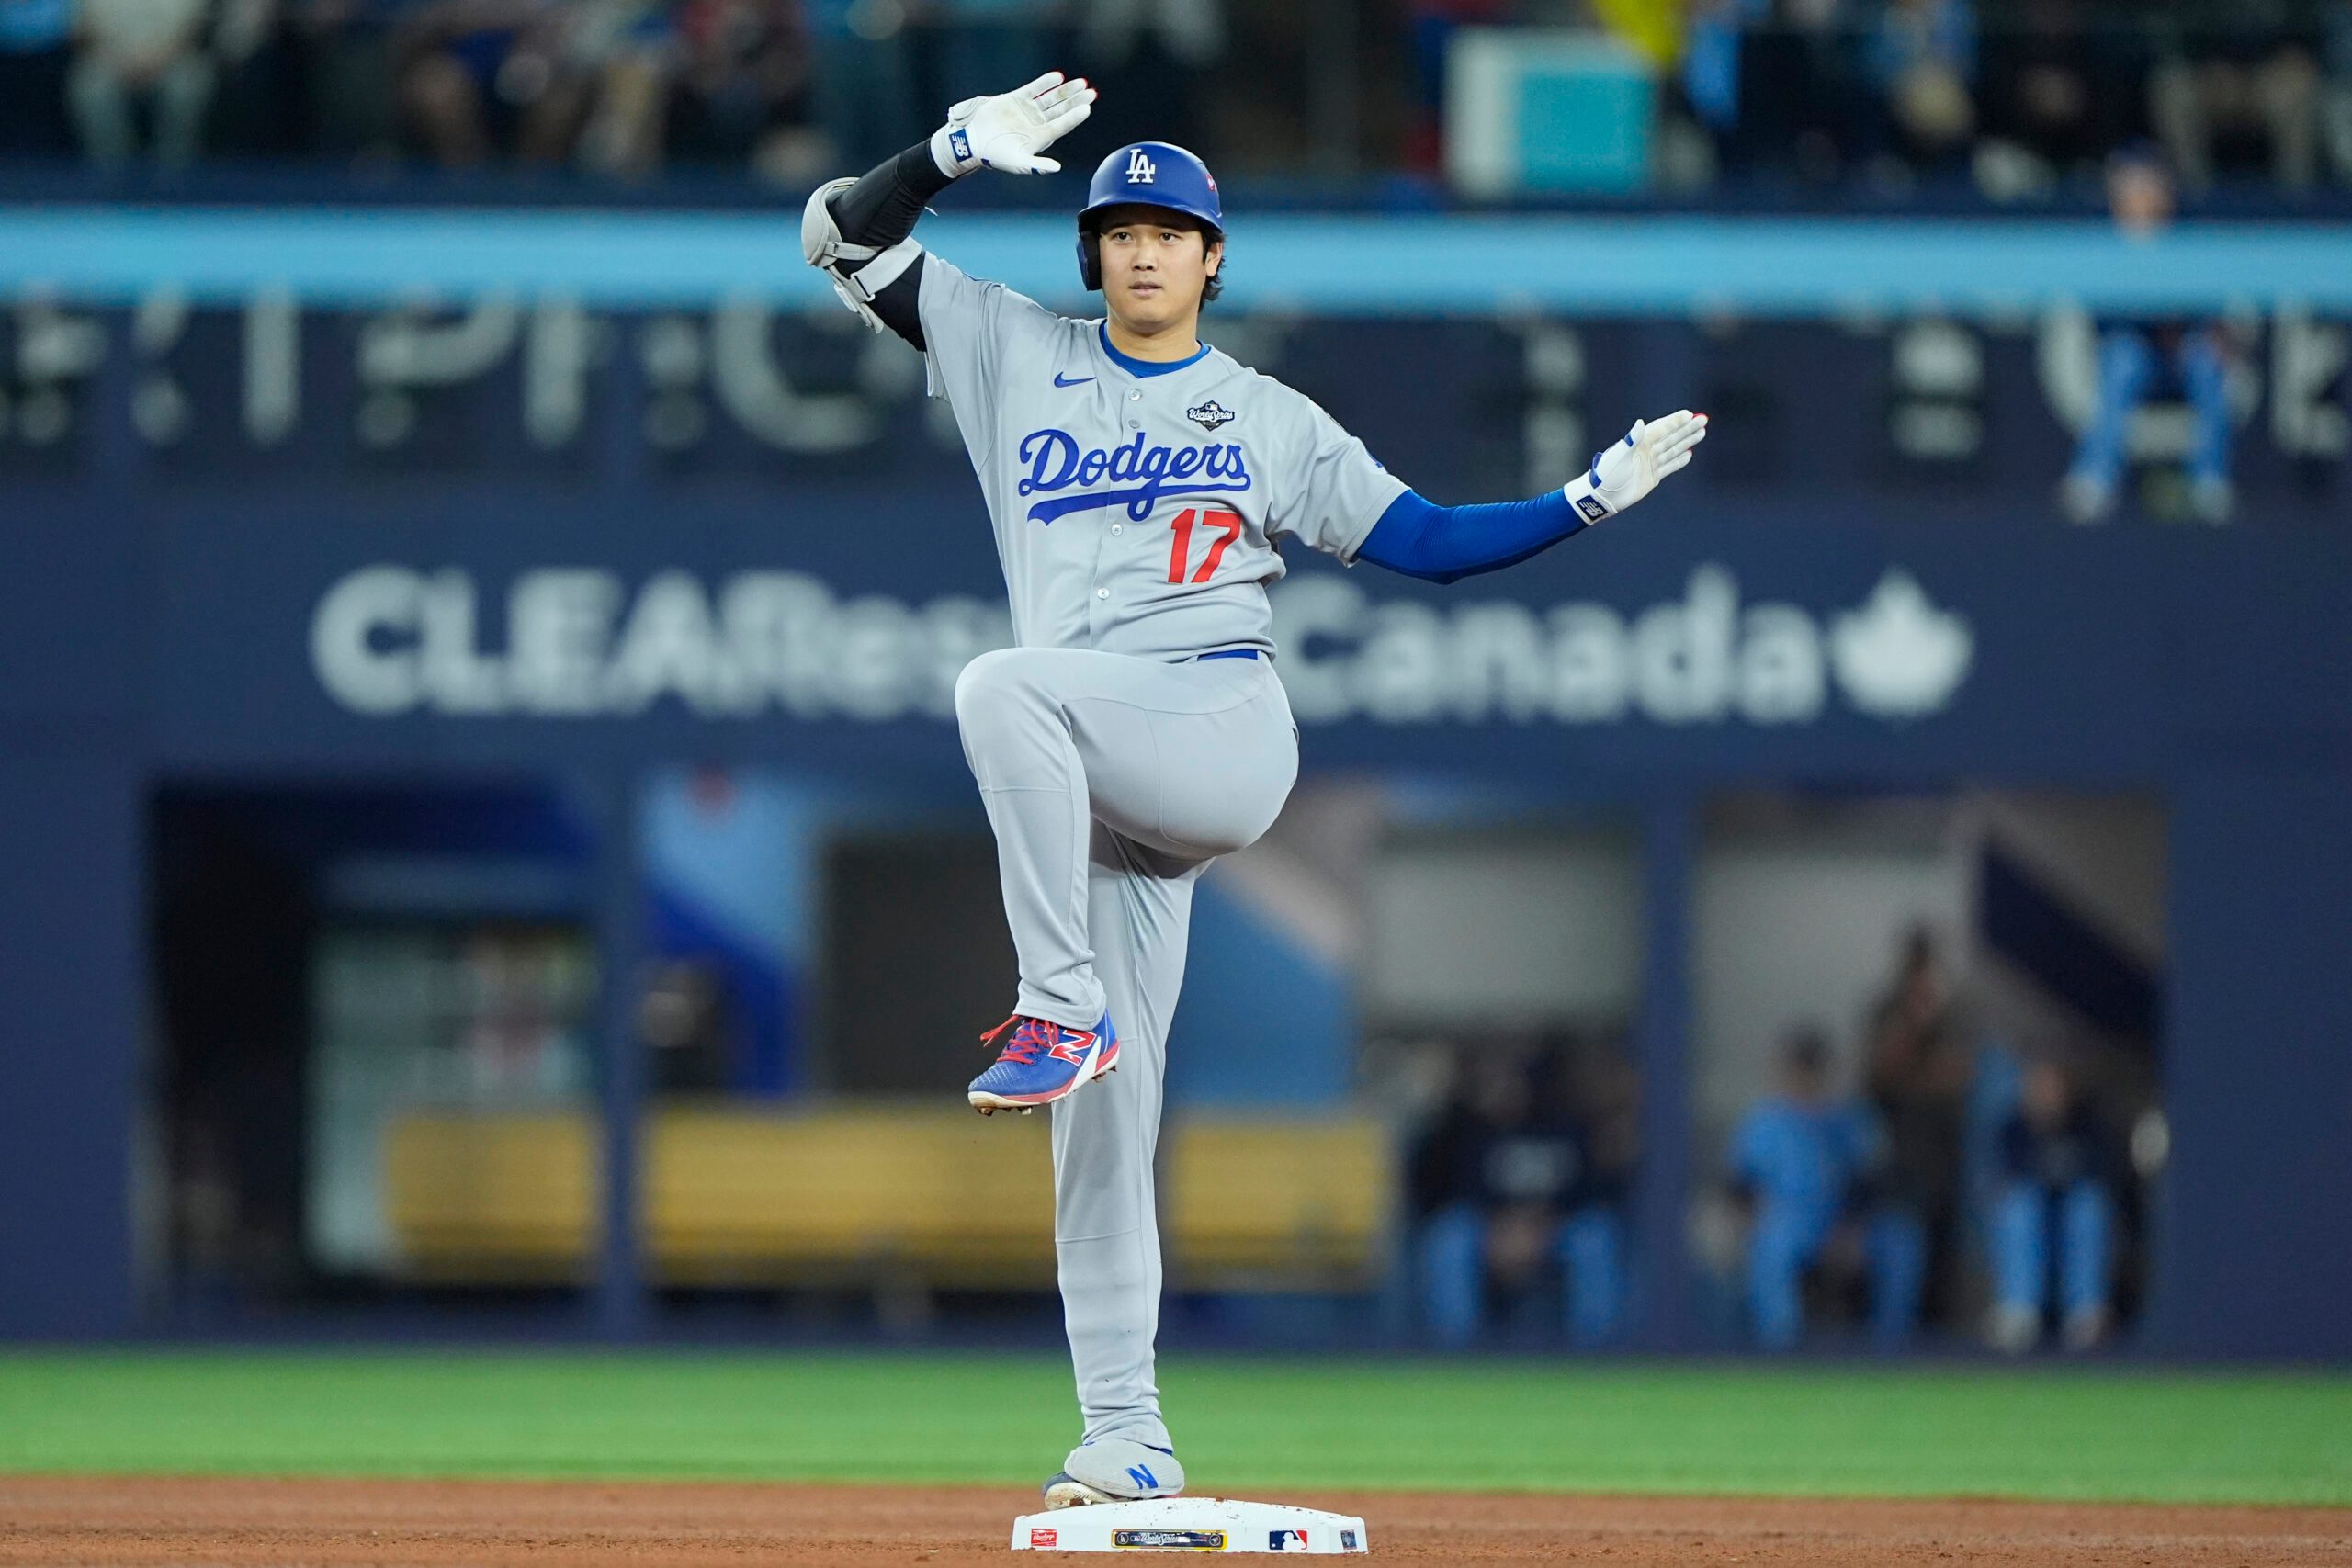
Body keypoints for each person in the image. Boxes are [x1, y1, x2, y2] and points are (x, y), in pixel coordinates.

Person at [802, 73, 1706, 1509]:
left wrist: (1581, 501)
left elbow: (1428, 540)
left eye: (1174, 230)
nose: (1147, 249)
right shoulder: (1006, 348)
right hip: (1097, 774)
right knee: (1103, 1124)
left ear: (1214, 259)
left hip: (1216, 724)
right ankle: (1125, 1432)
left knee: (998, 685)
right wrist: (952, 150)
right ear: (1090, 252)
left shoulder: (1262, 413)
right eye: (1121, 228)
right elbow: (836, 236)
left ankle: (1057, 1004)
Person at [2061, 145, 2236, 525]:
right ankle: (2095, 479)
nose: (2141, 198)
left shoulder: (2189, 244)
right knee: (2122, 359)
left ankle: (2209, 482)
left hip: (2184, 354)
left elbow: (2212, 310)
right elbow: (2100, 320)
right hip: (2138, 355)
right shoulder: (2106, 250)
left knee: (2207, 360)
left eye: (2149, 187)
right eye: (2131, 189)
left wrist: (2189, 325)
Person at [1408, 1048, 1628, 1349]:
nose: (1501, 1091)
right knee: (1451, 1239)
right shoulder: (1468, 1132)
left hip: (1554, 1232)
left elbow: (1585, 1192)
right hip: (1490, 1233)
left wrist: (1537, 1227)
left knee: (1593, 1237)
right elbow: (1455, 1192)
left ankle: (1597, 1355)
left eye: (1509, 1081)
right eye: (1491, 1083)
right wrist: (1501, 1231)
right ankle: (1455, 1356)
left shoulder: (1563, 1126)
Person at [1726, 1028, 1883, 1350]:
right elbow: (1740, 1186)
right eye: (1798, 1069)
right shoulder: (1765, 1122)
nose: (1804, 1078)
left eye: (1812, 1069)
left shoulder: (1848, 1119)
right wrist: (1745, 1221)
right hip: (1785, 1220)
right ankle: (1783, 1348)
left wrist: (1850, 1229)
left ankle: (1889, 1352)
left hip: (1841, 1221)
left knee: (1898, 1244)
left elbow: (1869, 1182)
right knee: (1772, 1245)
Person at [1988, 1056, 2119, 1352]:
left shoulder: (2089, 1127)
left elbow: (2102, 1177)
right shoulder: (2014, 1129)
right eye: (2038, 1087)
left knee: (2088, 1206)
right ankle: (2019, 1312)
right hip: (2034, 1217)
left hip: (2070, 1216)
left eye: (2052, 1087)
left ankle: (2086, 1313)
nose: (2045, 1094)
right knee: (2018, 1207)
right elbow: (2006, 1180)